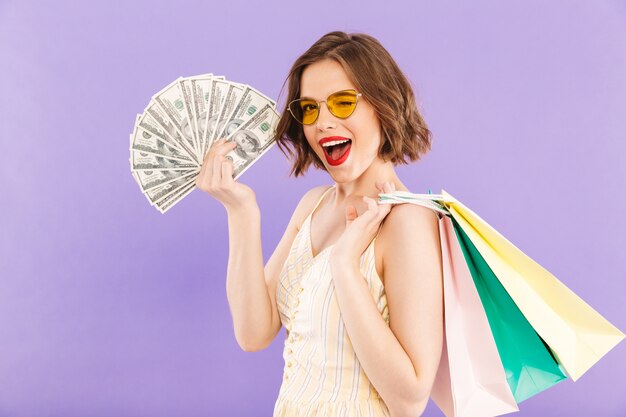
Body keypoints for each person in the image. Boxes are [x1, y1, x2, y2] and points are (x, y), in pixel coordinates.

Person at [195, 31, 444, 417]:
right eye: (309, 109)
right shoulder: (313, 205)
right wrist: (241, 213)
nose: (323, 122)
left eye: (343, 103)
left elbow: (410, 400)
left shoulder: (408, 221)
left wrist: (344, 264)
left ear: (384, 105)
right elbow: (253, 332)